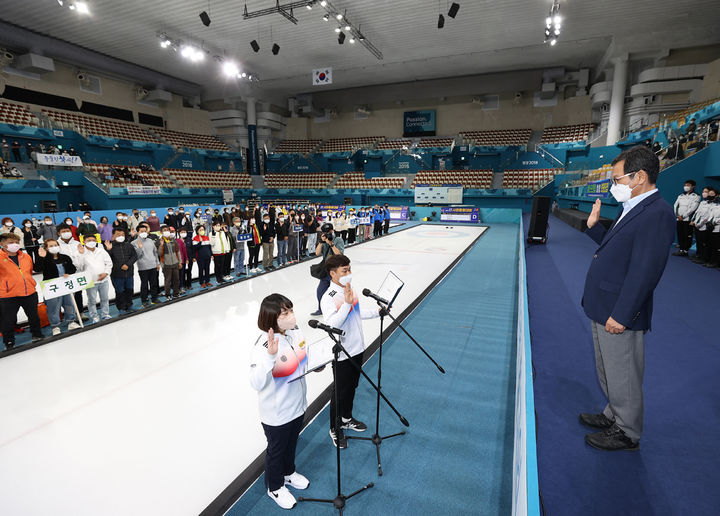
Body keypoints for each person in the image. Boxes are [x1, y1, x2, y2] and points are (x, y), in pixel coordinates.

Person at [580, 145, 675, 451]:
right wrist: (594, 228)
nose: (613, 186)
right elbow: (614, 249)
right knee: (607, 368)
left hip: (620, 310)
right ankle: (614, 413)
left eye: (617, 179)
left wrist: (622, 315)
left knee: (623, 372)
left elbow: (645, 272)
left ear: (640, 177)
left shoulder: (657, 213)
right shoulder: (632, 207)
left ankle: (627, 430)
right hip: (603, 303)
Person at [250, 294, 312, 509]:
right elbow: (256, 382)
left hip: (297, 404)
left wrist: (313, 363)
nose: (291, 316)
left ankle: (288, 473)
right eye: (285, 313)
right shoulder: (263, 345)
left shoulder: (294, 331)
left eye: (291, 310)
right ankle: (275, 486)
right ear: (271, 318)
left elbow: (302, 355)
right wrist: (269, 356)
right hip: (277, 412)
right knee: (276, 450)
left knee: (292, 443)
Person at [321, 254, 380, 448]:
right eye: (344, 271)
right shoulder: (328, 298)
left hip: (357, 347)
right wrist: (346, 303)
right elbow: (332, 325)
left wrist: (376, 312)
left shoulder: (349, 289)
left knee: (352, 386)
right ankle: (335, 428)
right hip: (342, 352)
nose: (349, 273)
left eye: (349, 269)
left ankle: (346, 418)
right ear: (333, 273)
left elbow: (356, 313)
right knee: (339, 391)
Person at [0, 233, 44, 349]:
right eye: (10, 243)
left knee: (33, 315)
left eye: (16, 242)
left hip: (29, 292)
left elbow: (29, 272)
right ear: (2, 244)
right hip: (8, 295)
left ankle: (37, 334)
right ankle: (9, 341)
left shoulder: (26, 257)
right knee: (8, 320)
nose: (14, 245)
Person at [36, 240, 81, 336]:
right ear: (47, 248)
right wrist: (41, 258)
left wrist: (68, 273)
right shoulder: (45, 258)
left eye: (55, 245)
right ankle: (55, 326)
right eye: (51, 246)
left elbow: (73, 268)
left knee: (69, 303)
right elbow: (37, 268)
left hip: (66, 285)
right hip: (52, 287)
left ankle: (71, 321)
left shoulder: (65, 257)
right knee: (53, 307)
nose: (54, 247)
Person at [75, 234, 112, 323]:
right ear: (84, 241)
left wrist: (106, 273)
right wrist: (81, 254)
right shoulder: (80, 252)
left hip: (103, 280)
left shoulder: (101, 251)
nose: (91, 242)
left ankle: (105, 314)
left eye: (93, 240)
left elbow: (109, 263)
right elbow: (79, 267)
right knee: (92, 300)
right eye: (89, 240)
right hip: (90, 281)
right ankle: (94, 316)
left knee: (104, 298)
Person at [311, 223, 344, 317]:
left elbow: (339, 255)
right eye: (324, 232)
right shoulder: (323, 241)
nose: (327, 234)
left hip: (336, 270)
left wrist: (331, 244)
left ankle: (339, 309)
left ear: (332, 231)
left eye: (328, 232)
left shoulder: (338, 240)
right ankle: (321, 309)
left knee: (336, 291)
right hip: (326, 270)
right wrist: (321, 242)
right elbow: (317, 253)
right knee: (320, 291)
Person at [106, 229, 137, 314]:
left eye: (123, 234)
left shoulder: (129, 245)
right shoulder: (110, 247)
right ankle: (121, 308)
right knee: (120, 291)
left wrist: (128, 264)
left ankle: (129, 305)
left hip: (129, 273)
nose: (121, 236)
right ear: (113, 236)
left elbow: (134, 256)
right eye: (118, 234)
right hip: (117, 274)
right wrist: (108, 250)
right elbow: (106, 260)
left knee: (130, 290)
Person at [132, 223, 161, 307]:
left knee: (154, 283)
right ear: (138, 232)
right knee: (144, 285)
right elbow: (137, 256)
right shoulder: (134, 243)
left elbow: (155, 253)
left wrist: (157, 263)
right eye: (141, 231)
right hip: (143, 267)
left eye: (145, 231)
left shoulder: (150, 241)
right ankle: (144, 300)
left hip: (153, 265)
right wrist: (140, 248)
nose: (144, 233)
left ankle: (154, 298)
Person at [672, 179, 700, 257]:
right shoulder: (680, 196)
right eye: (685, 185)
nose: (686, 187)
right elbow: (675, 205)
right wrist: (677, 215)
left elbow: (693, 208)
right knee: (680, 234)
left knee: (687, 235)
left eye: (688, 185)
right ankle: (681, 249)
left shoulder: (696, 196)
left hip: (688, 219)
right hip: (679, 218)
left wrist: (683, 216)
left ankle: (686, 250)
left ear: (693, 186)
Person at [689, 187, 713, 265]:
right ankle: (698, 255)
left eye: (706, 192)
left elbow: (707, 216)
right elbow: (697, 213)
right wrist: (693, 221)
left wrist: (699, 224)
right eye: (703, 191)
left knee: (704, 243)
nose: (704, 193)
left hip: (703, 226)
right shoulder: (702, 202)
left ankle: (704, 258)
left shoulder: (711, 204)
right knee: (699, 242)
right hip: (696, 225)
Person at [158, 226, 182, 300]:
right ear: (161, 232)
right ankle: (167, 294)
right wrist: (161, 245)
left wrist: (180, 262)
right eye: (164, 230)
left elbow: (178, 251)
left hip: (175, 263)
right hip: (166, 265)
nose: (167, 231)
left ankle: (176, 293)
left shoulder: (173, 240)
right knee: (167, 280)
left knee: (176, 279)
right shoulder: (159, 242)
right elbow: (159, 254)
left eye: (168, 230)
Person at [705, 187, 720, 268]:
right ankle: (710, 260)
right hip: (711, 228)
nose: (710, 196)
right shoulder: (715, 205)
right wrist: (709, 222)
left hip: (717, 229)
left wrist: (713, 223)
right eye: (709, 194)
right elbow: (711, 215)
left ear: (717, 195)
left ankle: (715, 261)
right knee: (710, 245)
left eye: (712, 194)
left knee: (716, 247)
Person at [178, 227, 193, 291]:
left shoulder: (189, 239)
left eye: (184, 232)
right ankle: (183, 285)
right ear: (179, 233)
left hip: (189, 259)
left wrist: (193, 257)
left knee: (189, 272)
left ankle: (189, 285)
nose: (183, 233)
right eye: (182, 232)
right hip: (182, 260)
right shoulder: (177, 241)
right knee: (182, 273)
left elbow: (192, 249)